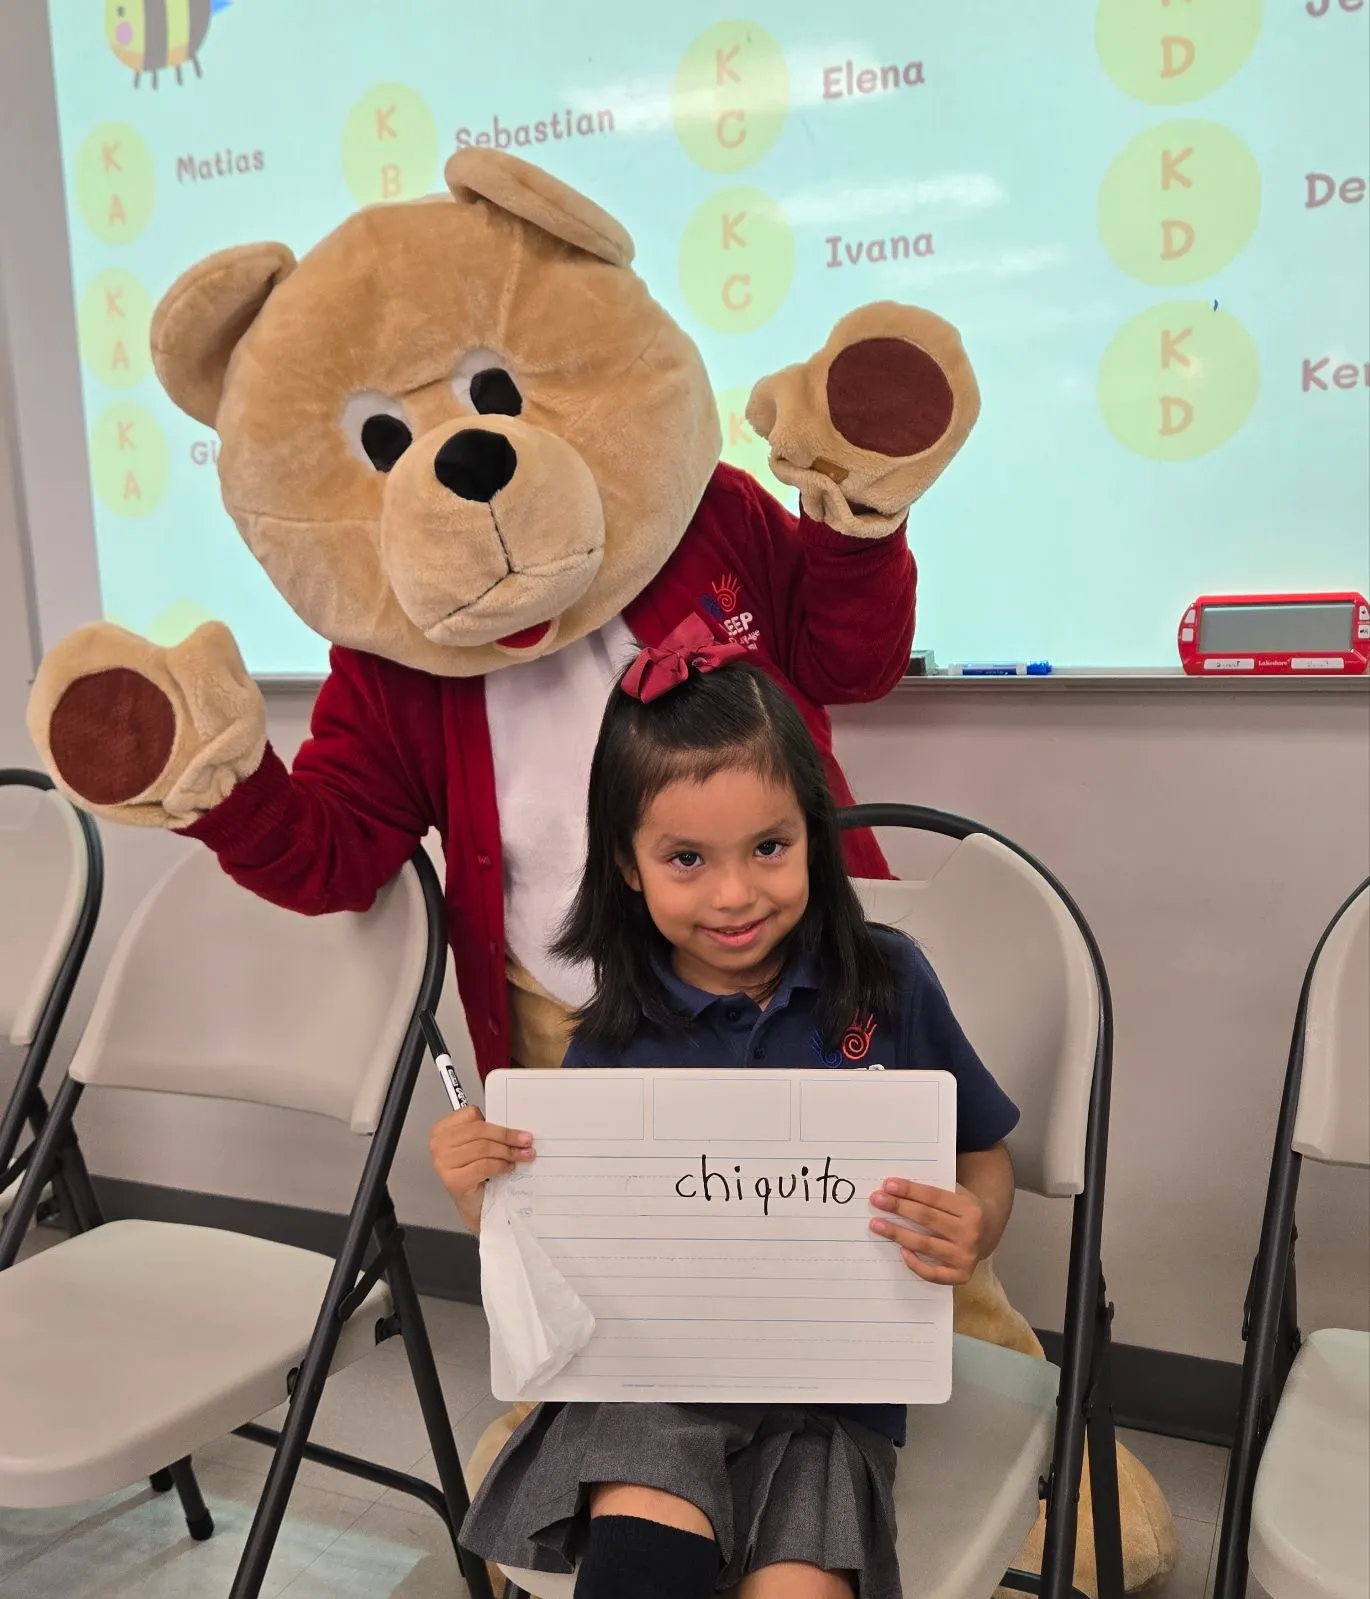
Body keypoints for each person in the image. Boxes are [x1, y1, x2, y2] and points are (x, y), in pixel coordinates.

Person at [429, 620, 1020, 1599]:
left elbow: (983, 1154)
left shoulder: (887, 982)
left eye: (769, 846)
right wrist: (478, 1193)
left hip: (832, 1399)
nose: (736, 893)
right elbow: (549, 1243)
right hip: (654, 1386)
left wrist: (976, 1219)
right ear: (626, 865)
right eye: (687, 859)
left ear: (814, 835)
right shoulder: (612, 1033)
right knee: (639, 1561)